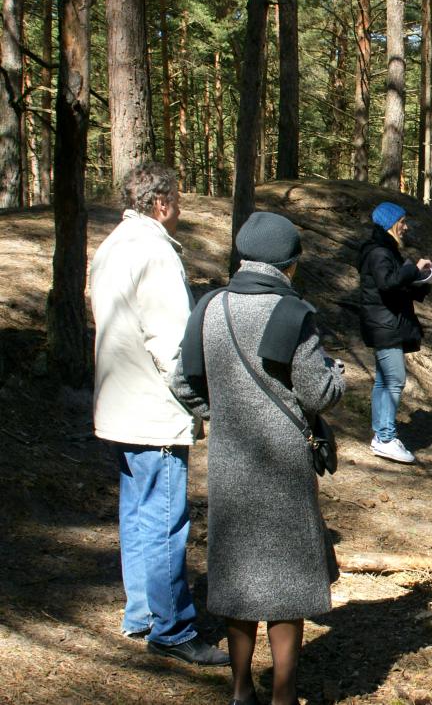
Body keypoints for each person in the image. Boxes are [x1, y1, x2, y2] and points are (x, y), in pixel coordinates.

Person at [172, 211, 345, 705]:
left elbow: (181, 380)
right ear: (289, 265)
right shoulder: (293, 314)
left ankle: (241, 688)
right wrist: (339, 374)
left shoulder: (208, 307)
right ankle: (284, 696)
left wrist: (222, 413)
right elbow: (318, 393)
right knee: (287, 586)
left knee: (236, 579)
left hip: (230, 461)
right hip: (284, 464)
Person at [89, 161, 228, 666]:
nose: (181, 209)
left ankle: (143, 612)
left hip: (119, 402)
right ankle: (171, 628)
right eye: (180, 199)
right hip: (153, 408)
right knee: (166, 519)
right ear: (163, 203)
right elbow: (172, 346)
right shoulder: (155, 252)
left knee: (137, 511)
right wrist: (200, 403)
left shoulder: (111, 246)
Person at [358, 202, 432, 464]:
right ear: (390, 223)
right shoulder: (379, 252)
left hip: (386, 323)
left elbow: (397, 284)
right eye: (401, 221)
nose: (405, 226)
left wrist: (423, 280)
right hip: (385, 325)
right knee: (394, 380)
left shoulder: (384, 250)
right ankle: (386, 438)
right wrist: (413, 268)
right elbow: (388, 283)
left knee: (383, 381)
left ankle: (381, 435)